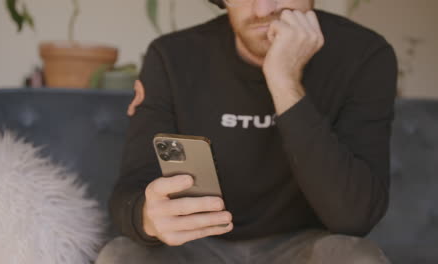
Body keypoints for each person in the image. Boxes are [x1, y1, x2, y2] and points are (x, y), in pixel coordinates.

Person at [97, 0, 397, 263]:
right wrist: (148, 217)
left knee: (358, 259)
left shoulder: (364, 55)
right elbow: (132, 188)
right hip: (195, 245)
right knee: (120, 256)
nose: (263, 9)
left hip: (306, 247)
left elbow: (354, 217)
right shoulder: (173, 57)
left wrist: (283, 79)